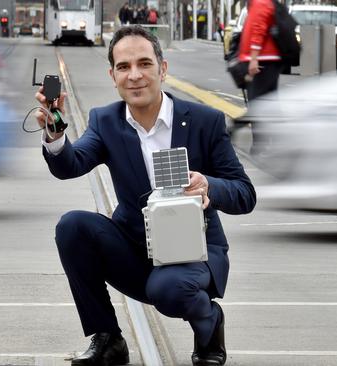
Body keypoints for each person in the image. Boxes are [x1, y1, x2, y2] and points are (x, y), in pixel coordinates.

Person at [34, 25, 256, 366]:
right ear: (112, 75)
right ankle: (108, 338)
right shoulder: (105, 120)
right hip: (134, 250)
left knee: (167, 290)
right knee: (72, 226)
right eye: (124, 67)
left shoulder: (204, 121)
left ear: (162, 69)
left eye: (144, 64)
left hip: (192, 254)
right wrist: (55, 133)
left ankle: (209, 325)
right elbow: (70, 165)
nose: (134, 75)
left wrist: (210, 186)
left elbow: (245, 194)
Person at [232, 0, 282, 154]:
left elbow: (259, 30)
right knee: (264, 103)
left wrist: (254, 59)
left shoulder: (260, 3)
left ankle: (242, 132)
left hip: (262, 61)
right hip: (264, 60)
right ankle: (264, 142)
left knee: (257, 103)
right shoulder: (257, 3)